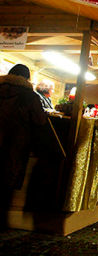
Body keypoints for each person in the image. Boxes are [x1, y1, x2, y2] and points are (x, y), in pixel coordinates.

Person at [0, 64, 47, 229]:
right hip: (15, 145)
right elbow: (40, 121)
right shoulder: (29, 96)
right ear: (26, 78)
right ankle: (3, 222)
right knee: (6, 184)